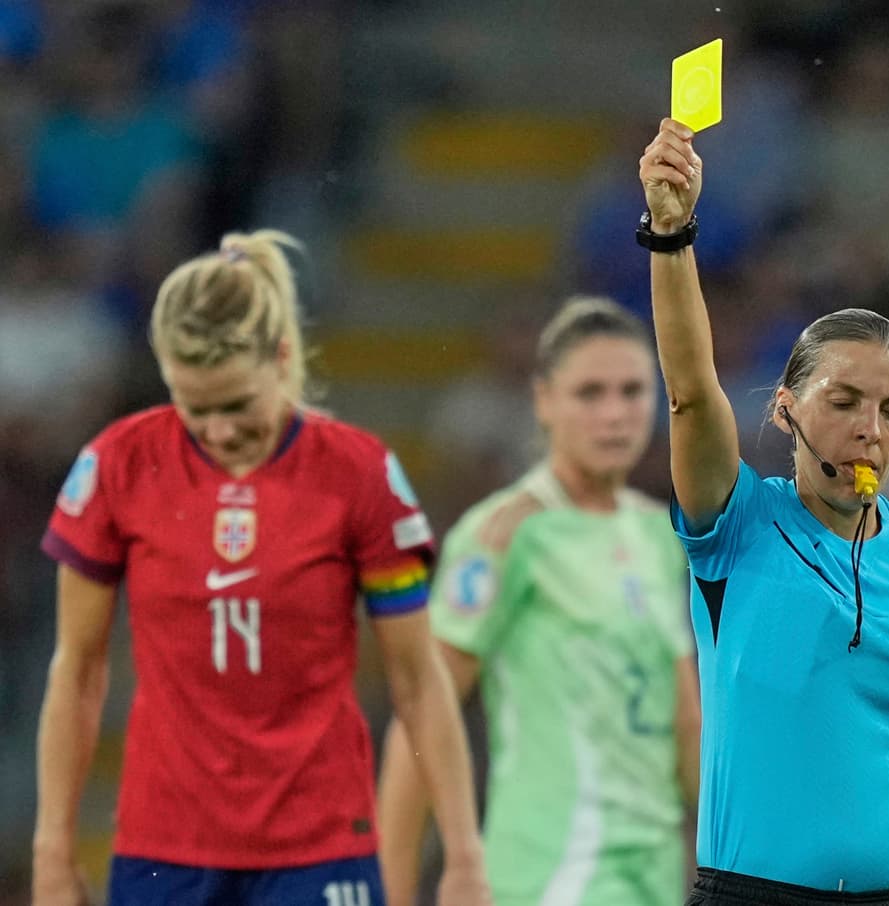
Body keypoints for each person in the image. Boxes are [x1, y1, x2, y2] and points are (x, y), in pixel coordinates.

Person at [636, 117, 889, 906]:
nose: (869, 428)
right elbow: (688, 390)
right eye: (844, 400)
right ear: (786, 409)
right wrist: (672, 236)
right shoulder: (736, 525)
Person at [31, 230, 490, 906]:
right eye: (194, 409)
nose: (217, 431)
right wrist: (53, 852)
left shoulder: (358, 475)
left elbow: (419, 682)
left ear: (281, 357)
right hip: (165, 849)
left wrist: (463, 859)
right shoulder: (117, 467)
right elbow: (78, 670)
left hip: (320, 844)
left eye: (237, 405)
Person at [377, 295, 702, 906]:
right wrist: (394, 889)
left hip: (654, 875)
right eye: (589, 393)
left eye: (632, 391)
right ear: (544, 401)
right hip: (549, 873)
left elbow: (686, 724)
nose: (614, 414)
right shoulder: (506, 532)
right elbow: (423, 710)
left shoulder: (660, 534)